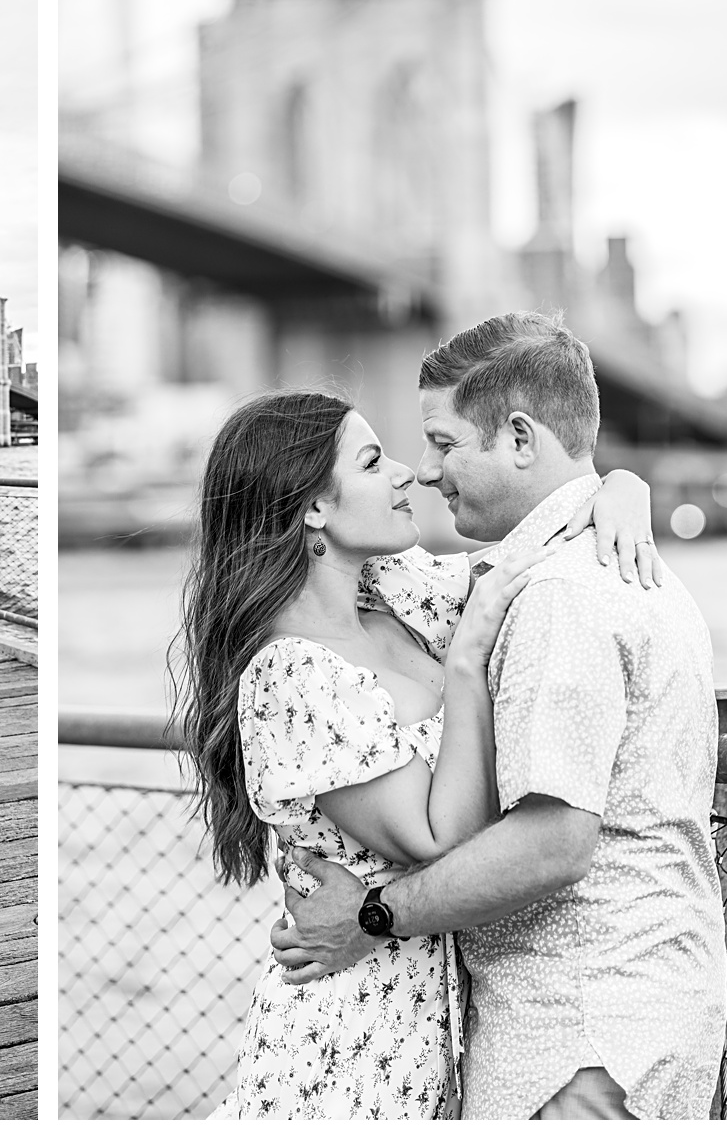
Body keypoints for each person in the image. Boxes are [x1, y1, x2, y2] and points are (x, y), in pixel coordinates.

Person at [269, 312, 726, 1120]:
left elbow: (554, 840)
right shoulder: (569, 570)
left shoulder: (561, 596)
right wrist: (619, 484)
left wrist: (372, 916)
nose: (425, 470)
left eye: (443, 443)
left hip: (579, 1038)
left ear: (519, 437)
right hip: (618, 1020)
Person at [177, 371, 665, 1119]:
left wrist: (621, 488)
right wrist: (465, 665)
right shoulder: (291, 675)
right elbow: (440, 838)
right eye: (373, 463)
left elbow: (530, 556)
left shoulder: (392, 594)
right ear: (313, 507)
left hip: (430, 1031)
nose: (409, 472)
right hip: (347, 1048)